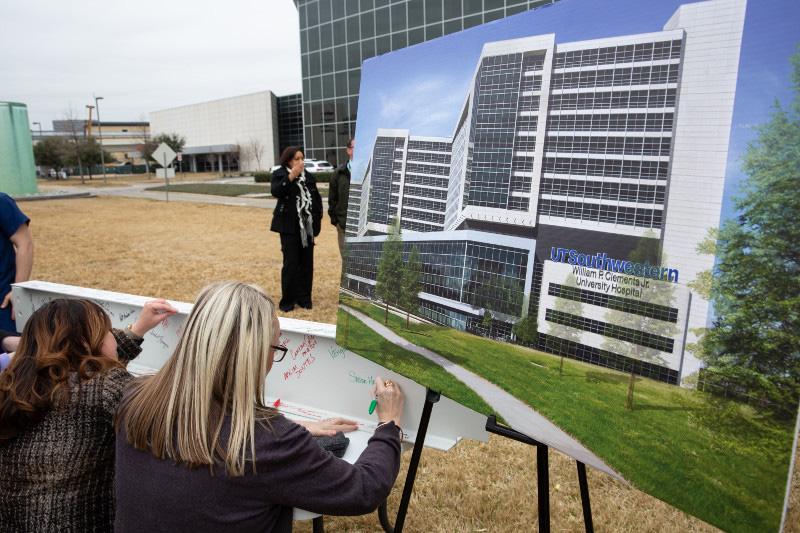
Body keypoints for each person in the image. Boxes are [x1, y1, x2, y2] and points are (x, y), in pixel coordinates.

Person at [115, 282, 405, 532]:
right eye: (275, 348)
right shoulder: (267, 443)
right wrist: (388, 424)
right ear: (252, 355)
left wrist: (292, 427)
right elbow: (363, 489)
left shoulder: (133, 398)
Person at [0, 297, 179, 531]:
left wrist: (138, 329)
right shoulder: (105, 385)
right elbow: (169, 418)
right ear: (86, 343)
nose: (113, 335)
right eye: (106, 331)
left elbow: (89, 359)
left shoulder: (16, 380)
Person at [270, 146, 323, 312]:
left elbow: (316, 200)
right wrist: (291, 176)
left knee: (306, 265)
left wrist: (317, 220)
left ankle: (304, 299)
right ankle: (288, 301)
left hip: (306, 228)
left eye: (302, 158)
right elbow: (276, 191)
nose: (301, 162)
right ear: (288, 160)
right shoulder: (279, 174)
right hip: (289, 228)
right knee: (291, 264)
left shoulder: (309, 177)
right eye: (296, 159)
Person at [0, 193, 34, 333]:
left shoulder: (2, 202)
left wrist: (18, 290)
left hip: (3, 300)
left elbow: (25, 244)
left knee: (13, 349)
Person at [328, 138, 354, 258]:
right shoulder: (339, 173)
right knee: (347, 263)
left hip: (364, 227)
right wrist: (337, 222)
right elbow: (332, 199)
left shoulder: (369, 169)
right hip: (344, 225)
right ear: (348, 150)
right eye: (355, 147)